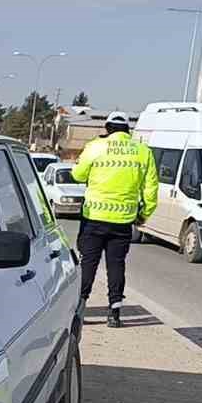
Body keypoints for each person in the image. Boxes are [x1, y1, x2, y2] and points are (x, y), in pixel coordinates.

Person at [70, 111, 157, 328]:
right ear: (128, 130)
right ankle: (114, 312)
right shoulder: (143, 151)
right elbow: (151, 188)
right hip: (123, 220)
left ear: (107, 129)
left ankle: (80, 309)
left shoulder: (95, 147)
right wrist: (144, 213)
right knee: (116, 265)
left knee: (88, 262)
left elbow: (78, 175)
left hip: (94, 217)